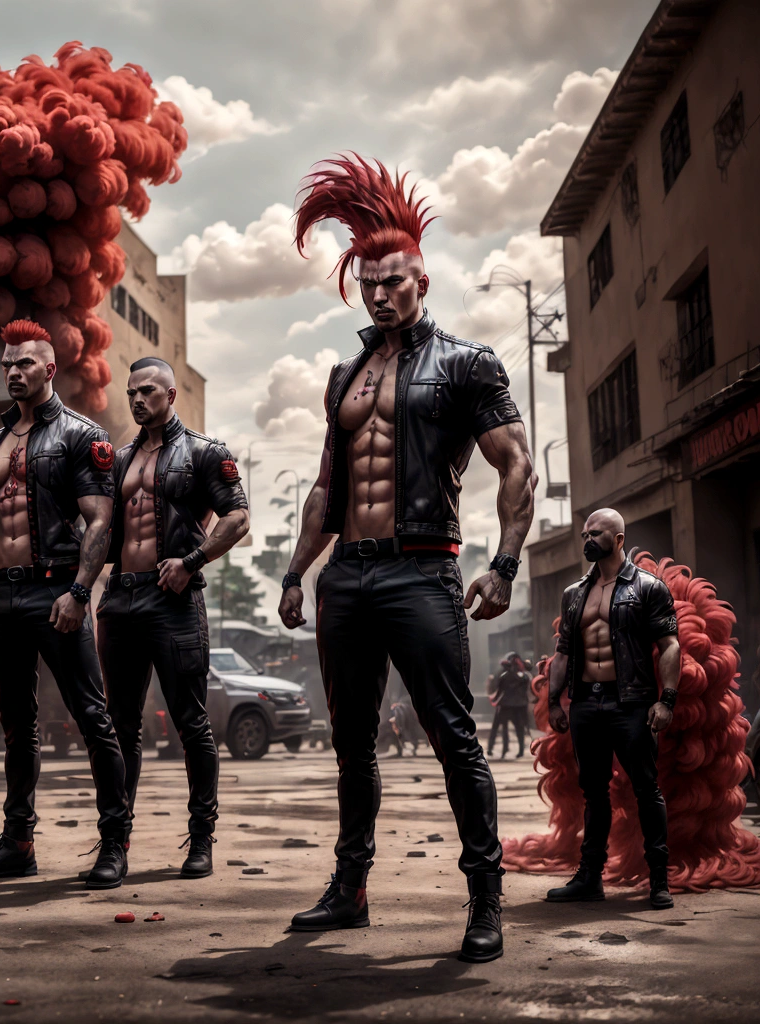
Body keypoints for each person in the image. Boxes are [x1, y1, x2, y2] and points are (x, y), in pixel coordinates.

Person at [276, 155, 536, 963]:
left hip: (424, 571)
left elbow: (516, 462)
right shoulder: (343, 375)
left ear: (421, 281)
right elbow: (328, 487)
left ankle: (484, 901)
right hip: (347, 575)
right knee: (351, 741)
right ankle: (349, 888)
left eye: (394, 280)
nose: (380, 292)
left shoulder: (467, 364)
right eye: (368, 282)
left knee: (456, 736)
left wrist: (504, 565)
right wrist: (295, 571)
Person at [0, 319, 130, 889]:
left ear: (50, 369)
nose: (13, 372)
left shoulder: (81, 435)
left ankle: (114, 844)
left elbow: (101, 519)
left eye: (24, 363)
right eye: (7, 364)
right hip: (1, 595)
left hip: (56, 588)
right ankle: (18, 842)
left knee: (91, 717)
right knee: (15, 726)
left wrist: (80, 591)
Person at [99, 356, 249, 878]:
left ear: (170, 394)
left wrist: (192, 562)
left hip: (175, 601)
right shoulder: (118, 461)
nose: (138, 400)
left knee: (191, 722)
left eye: (148, 391)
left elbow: (238, 518)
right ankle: (114, 845)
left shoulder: (204, 453)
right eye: (131, 393)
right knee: (118, 727)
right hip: (120, 599)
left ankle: (201, 840)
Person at [543, 508, 679, 910]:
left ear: (618, 539)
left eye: (596, 533)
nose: (587, 539)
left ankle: (659, 880)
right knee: (594, 793)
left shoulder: (649, 587)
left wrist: (666, 699)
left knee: (646, 789)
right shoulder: (574, 594)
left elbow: (669, 646)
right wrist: (555, 699)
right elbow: (563, 652)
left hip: (632, 701)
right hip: (587, 701)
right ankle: (590, 878)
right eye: (584, 533)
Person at [487, 653, 533, 759]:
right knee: (520, 728)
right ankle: (521, 750)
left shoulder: (504, 676)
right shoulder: (524, 677)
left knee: (502, 728)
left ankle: (501, 749)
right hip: (520, 705)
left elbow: (499, 689)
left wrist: (494, 700)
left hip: (505, 705)